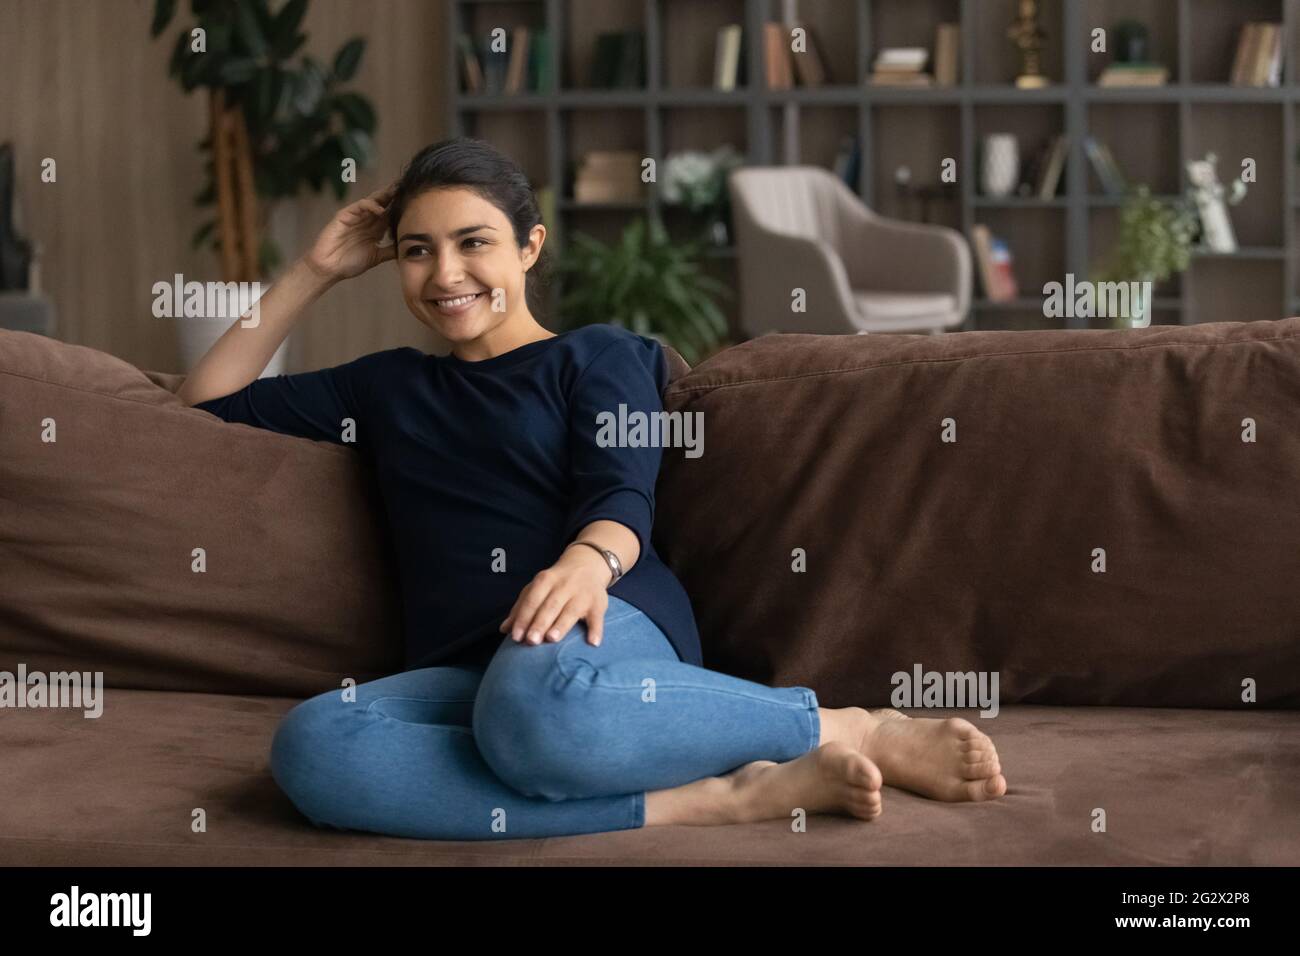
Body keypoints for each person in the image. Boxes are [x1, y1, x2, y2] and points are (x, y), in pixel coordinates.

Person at [177, 137, 1006, 841]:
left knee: (535, 704)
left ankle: (841, 725)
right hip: (473, 675)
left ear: (529, 247)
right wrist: (316, 269)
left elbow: (622, 490)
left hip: (606, 631)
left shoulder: (600, 355)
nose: (445, 272)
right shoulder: (386, 388)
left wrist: (584, 567)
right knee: (314, 747)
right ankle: (716, 799)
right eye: (418, 249)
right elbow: (206, 403)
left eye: (474, 243)